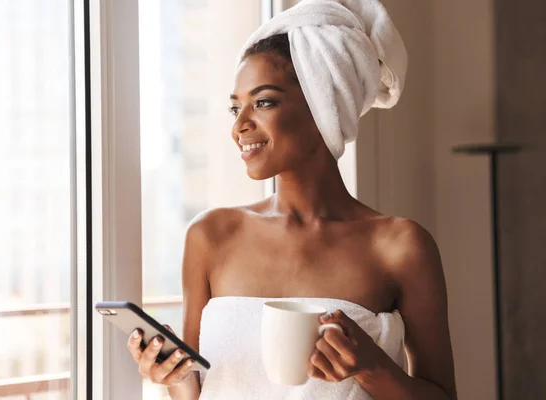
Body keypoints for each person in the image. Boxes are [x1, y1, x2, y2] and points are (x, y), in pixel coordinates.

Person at [127, 1, 456, 399]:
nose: (239, 125)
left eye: (263, 102)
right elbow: (197, 393)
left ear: (325, 105)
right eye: (236, 107)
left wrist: (372, 369)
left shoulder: (400, 246)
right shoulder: (210, 236)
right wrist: (174, 376)